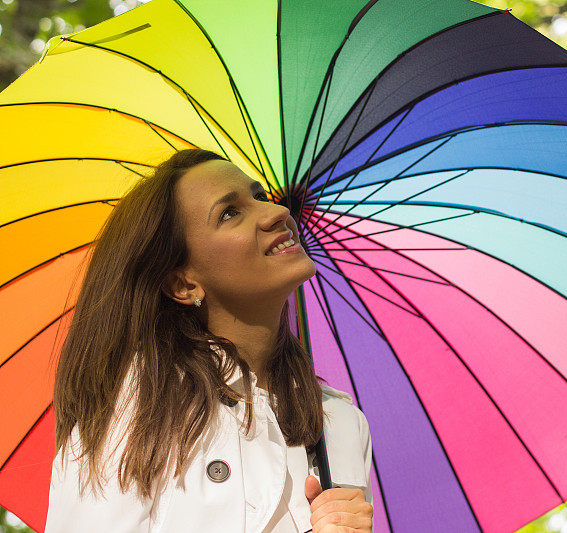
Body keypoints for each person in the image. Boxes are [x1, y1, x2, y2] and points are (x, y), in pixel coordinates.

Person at [44, 149, 374, 532]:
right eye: (230, 213)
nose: (276, 213)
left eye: (259, 196)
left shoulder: (341, 422)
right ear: (183, 284)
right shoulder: (140, 403)